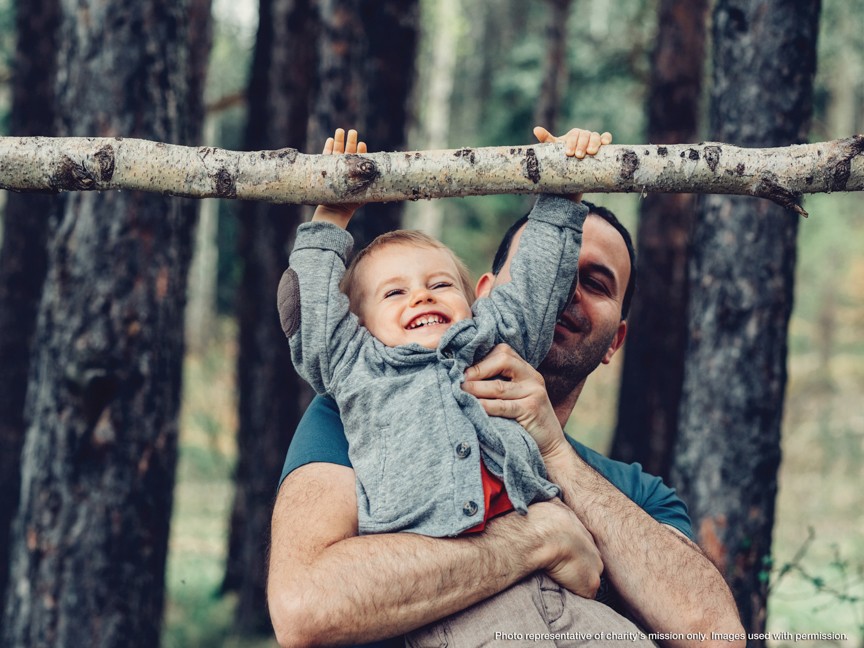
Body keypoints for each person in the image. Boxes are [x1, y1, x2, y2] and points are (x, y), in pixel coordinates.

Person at [267, 127, 746, 648]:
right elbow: (304, 611)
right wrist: (540, 540)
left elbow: (717, 636)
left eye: (597, 283)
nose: (567, 292)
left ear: (616, 342)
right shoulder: (353, 406)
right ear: (489, 295)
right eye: (395, 292)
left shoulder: (637, 493)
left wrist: (555, 453)